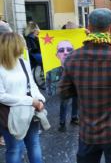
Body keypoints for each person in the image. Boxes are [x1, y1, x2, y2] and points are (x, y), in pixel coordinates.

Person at [59, 8, 111, 163]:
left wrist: (82, 89)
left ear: (89, 27)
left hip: (88, 132)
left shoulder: (72, 58)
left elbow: (64, 92)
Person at [0, 32, 46, 163]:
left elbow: (31, 84)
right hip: (10, 115)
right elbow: (1, 96)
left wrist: (40, 99)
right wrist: (31, 101)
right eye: (22, 44)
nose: (25, 47)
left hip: (30, 112)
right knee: (15, 149)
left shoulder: (23, 61)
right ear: (14, 46)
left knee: (34, 144)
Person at [45, 41, 78, 132]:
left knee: (76, 100)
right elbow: (50, 91)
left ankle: (74, 117)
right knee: (64, 103)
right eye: (61, 50)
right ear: (57, 55)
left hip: (76, 87)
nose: (66, 52)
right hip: (65, 90)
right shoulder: (51, 72)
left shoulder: (79, 68)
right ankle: (62, 123)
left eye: (69, 50)